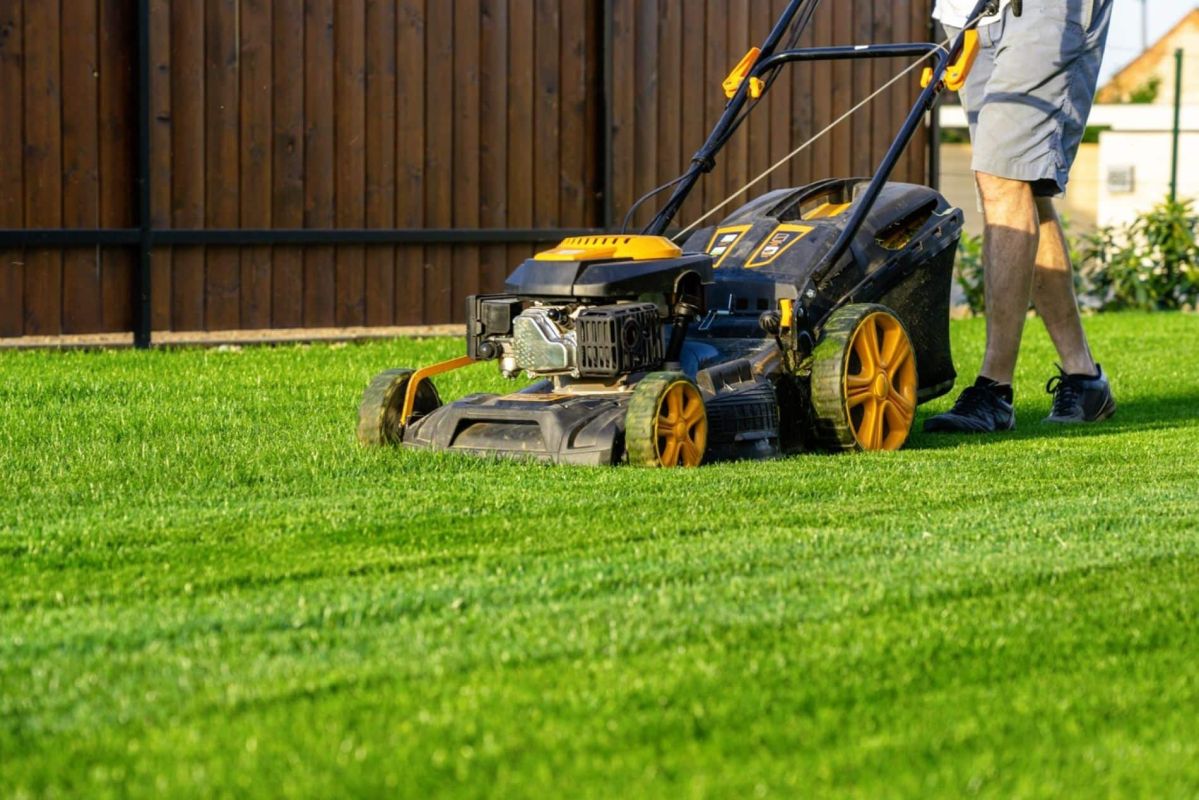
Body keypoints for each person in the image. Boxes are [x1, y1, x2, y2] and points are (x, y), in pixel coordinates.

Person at [924, 0, 1118, 434]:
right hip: (965, 13)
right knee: (1020, 182)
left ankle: (994, 390)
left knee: (1001, 176)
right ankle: (1085, 379)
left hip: (1048, 8)